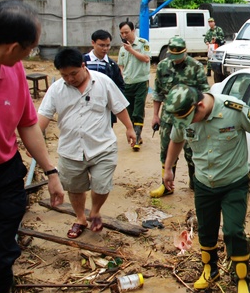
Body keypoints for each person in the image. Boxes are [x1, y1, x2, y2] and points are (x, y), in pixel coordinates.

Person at [162, 84, 250, 293]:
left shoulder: (234, 109)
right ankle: (210, 270)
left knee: (233, 231)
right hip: (204, 182)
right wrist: (168, 168)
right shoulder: (183, 116)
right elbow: (176, 140)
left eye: (191, 118)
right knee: (206, 230)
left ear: (200, 105)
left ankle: (242, 280)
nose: (190, 124)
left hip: (234, 182)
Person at [0, 0, 65, 293]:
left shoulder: (14, 70)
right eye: (31, 49)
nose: (30, 55)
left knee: (0, 259)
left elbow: (27, 124)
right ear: (13, 47)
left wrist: (51, 171)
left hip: (4, 177)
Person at [37, 48, 136, 239]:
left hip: (102, 147)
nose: (70, 79)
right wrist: (34, 139)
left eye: (73, 73)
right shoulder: (56, 89)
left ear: (83, 66)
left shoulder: (103, 82)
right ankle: (80, 218)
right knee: (75, 188)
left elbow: (119, 106)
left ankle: (95, 211)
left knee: (101, 185)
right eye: (64, 75)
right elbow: (43, 116)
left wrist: (129, 128)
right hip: (70, 149)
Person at [149, 36, 209, 198]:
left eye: (179, 56)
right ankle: (167, 185)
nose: (176, 59)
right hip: (169, 117)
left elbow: (205, 92)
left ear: (185, 52)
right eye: (173, 56)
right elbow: (158, 93)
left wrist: (201, 114)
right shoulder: (162, 66)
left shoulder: (196, 67)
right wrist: (155, 115)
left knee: (192, 151)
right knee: (166, 150)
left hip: (191, 117)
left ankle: (195, 183)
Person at [117, 20, 150, 151]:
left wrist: (131, 50)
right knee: (129, 111)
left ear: (133, 30)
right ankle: (136, 134)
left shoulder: (143, 43)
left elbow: (146, 58)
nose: (124, 35)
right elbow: (121, 65)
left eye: (126, 32)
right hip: (127, 83)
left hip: (141, 81)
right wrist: (121, 78)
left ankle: (136, 137)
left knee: (138, 110)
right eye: (122, 33)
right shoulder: (122, 49)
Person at [83, 29, 125, 127]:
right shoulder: (83, 62)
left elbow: (120, 86)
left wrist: (112, 101)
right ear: (93, 43)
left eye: (108, 45)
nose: (105, 48)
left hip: (105, 111)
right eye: (101, 45)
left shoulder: (112, 65)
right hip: (85, 110)